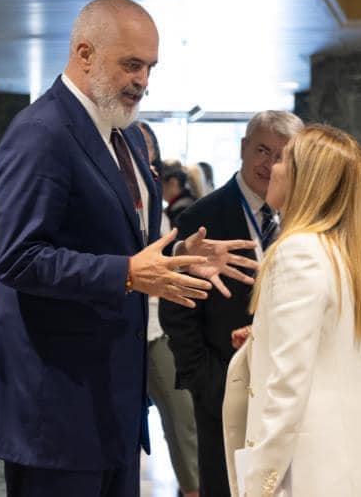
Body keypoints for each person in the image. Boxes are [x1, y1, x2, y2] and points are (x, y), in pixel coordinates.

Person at [0, 0, 256, 497]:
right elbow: (19, 259)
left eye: (150, 67)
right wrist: (127, 274)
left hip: (110, 402)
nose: (142, 80)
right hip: (55, 408)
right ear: (84, 53)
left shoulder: (120, 136)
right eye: (131, 64)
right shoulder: (41, 134)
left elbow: (114, 244)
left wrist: (176, 260)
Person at [222, 125, 361, 496]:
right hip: (352, 461)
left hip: (310, 468)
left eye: (284, 159)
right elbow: (330, 348)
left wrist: (260, 483)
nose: (273, 168)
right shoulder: (343, 253)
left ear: (307, 179)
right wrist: (262, 338)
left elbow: (289, 384)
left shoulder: (297, 252)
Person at [160, 110, 303, 497]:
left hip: (289, 390)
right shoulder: (201, 217)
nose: (269, 164)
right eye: (262, 150)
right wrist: (209, 384)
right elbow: (176, 309)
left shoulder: (302, 216)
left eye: (282, 155)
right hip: (224, 388)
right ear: (243, 148)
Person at [136, 121, 200, 497]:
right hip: (113, 332)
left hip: (154, 327)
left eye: (150, 157)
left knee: (182, 416)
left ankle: (193, 488)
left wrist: (182, 253)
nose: (145, 165)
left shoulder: (156, 208)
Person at [161, 161, 197, 228]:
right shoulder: (188, 202)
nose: (159, 190)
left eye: (161, 184)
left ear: (172, 183)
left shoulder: (182, 208)